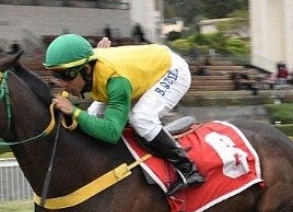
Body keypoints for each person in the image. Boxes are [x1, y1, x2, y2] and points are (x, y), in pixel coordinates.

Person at [44, 33, 204, 193]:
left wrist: (73, 111)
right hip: (137, 71)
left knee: (141, 118)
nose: (63, 84)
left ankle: (188, 169)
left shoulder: (115, 81)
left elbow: (112, 132)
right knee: (92, 115)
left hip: (172, 70)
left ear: (86, 69)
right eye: (57, 75)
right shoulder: (89, 65)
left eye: (67, 76)